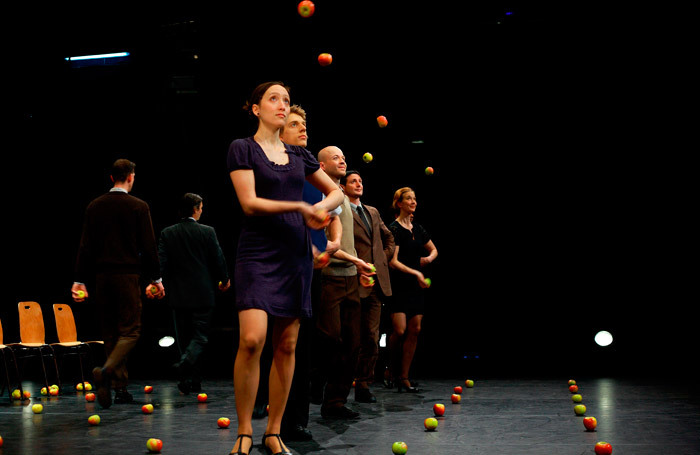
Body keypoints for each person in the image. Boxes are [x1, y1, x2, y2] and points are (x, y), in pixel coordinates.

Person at [227, 82, 344, 455]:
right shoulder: (243, 148)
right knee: (251, 339)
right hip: (258, 252)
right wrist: (301, 208)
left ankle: (274, 432)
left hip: (295, 255)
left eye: (287, 100)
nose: (282, 105)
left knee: (287, 344)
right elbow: (249, 203)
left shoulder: (299, 154)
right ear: (255, 108)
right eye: (273, 99)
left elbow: (336, 191)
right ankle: (245, 430)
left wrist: (324, 208)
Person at [71, 158, 164, 409]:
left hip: (101, 279)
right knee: (131, 330)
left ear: (112, 178)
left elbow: (85, 246)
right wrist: (156, 279)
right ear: (131, 177)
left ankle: (119, 388)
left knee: (111, 332)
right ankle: (108, 370)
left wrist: (79, 280)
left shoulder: (94, 206)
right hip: (127, 277)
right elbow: (149, 246)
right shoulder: (139, 206)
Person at [314, 146, 375, 419]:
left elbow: (345, 240)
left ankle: (335, 402)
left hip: (350, 278)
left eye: (344, 157)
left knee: (352, 343)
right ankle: (316, 386)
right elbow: (324, 244)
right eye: (336, 158)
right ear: (322, 166)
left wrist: (359, 265)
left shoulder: (343, 197)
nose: (343, 160)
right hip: (329, 279)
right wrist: (356, 261)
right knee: (330, 339)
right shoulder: (322, 197)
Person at [158, 193, 230, 395]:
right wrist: (224, 279)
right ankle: (188, 369)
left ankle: (188, 380)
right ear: (196, 209)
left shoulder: (168, 233)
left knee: (184, 339)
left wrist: (157, 282)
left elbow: (161, 263)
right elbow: (218, 258)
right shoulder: (207, 232)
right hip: (202, 293)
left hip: (178, 295)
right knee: (199, 338)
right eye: (201, 207)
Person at [341, 170, 394, 403]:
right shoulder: (341, 210)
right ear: (343, 187)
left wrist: (381, 258)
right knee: (349, 338)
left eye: (361, 181)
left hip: (374, 283)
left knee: (372, 337)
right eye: (353, 181)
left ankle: (363, 384)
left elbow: (389, 237)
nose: (358, 184)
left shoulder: (371, 211)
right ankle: (336, 385)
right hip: (351, 279)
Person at [387, 187, 438, 393]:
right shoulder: (394, 228)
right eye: (408, 199)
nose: (413, 202)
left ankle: (404, 376)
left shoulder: (418, 228)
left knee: (415, 329)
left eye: (414, 198)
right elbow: (393, 262)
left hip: (415, 287)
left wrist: (428, 259)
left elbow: (434, 249)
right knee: (399, 330)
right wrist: (416, 273)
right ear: (399, 203)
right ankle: (389, 369)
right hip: (400, 283)